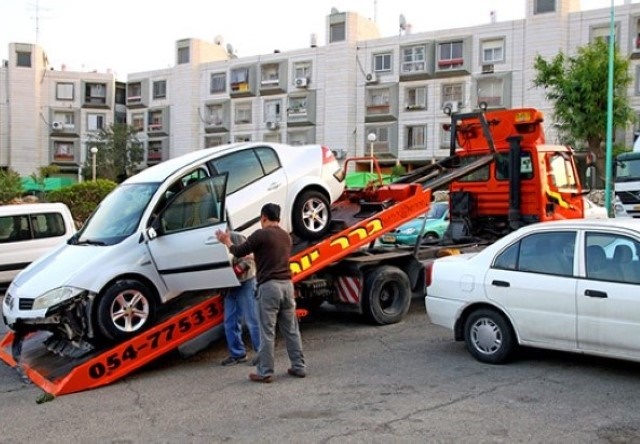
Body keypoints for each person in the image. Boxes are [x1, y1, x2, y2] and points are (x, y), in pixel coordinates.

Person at [215, 203, 306, 383]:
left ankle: (265, 372)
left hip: (269, 287)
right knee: (291, 330)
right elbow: (272, 256)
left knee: (267, 332)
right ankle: (299, 366)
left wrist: (226, 241)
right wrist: (255, 257)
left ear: (263, 217)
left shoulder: (260, 235)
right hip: (287, 286)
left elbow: (239, 250)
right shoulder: (285, 236)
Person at [220, 231, 261, 366]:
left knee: (252, 319)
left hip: (246, 281)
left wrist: (237, 270)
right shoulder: (208, 245)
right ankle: (238, 354)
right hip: (229, 286)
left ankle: (262, 353)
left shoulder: (236, 237)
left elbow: (249, 258)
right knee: (230, 322)